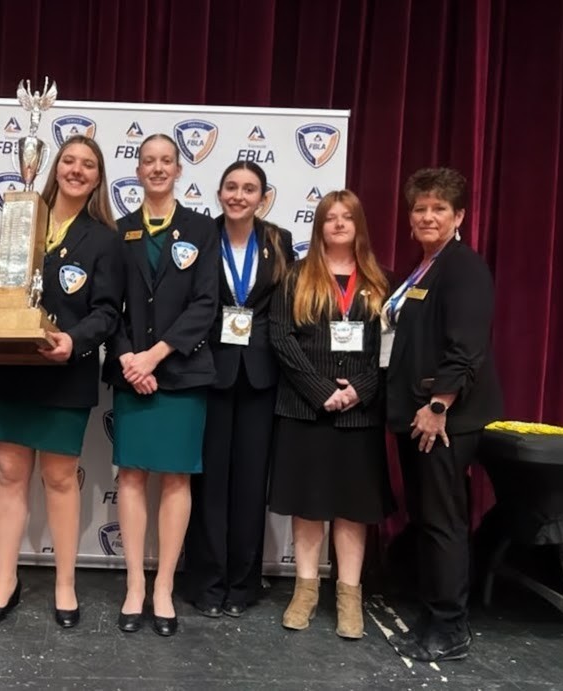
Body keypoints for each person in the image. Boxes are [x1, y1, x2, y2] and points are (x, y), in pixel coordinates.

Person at [0, 135, 124, 628]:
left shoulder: (104, 238)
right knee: (10, 475)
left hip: (65, 370)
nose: (76, 170)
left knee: (60, 478)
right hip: (14, 367)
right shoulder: (20, 217)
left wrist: (74, 341)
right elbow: (1, 289)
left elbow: (107, 311)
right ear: (54, 167)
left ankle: (65, 583)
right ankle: (4, 581)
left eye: (88, 164)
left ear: (99, 178)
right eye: (69, 161)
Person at [383, 168, 502, 662]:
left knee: (444, 522)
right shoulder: (424, 269)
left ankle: (452, 626)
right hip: (417, 418)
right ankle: (433, 615)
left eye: (438, 209)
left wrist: (438, 407)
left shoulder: (463, 268)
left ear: (459, 216)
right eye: (419, 208)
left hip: (445, 421)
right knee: (428, 518)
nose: (427, 216)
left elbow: (467, 348)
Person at [104, 133, 220, 637]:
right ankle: (134, 584)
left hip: (182, 372)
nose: (156, 168)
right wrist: (131, 357)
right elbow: (109, 304)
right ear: (137, 170)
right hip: (132, 371)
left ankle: (164, 587)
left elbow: (205, 304)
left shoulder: (201, 228)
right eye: (147, 160)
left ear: (179, 169)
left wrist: (155, 355)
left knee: (176, 478)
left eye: (165, 161)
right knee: (131, 475)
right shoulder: (119, 231)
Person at [268, 190, 392, 639]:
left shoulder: (381, 283)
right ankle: (304, 591)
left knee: (352, 510)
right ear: (319, 226)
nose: (338, 225)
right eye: (329, 218)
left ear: (359, 225)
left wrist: (359, 389)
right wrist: (322, 391)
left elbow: (389, 353)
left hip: (359, 414)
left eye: (347, 218)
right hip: (306, 410)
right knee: (308, 506)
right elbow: (281, 339)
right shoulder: (296, 277)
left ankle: (349, 596)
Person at [184, 161, 293, 618]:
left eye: (249, 189)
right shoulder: (202, 236)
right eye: (231, 187)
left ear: (263, 197)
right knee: (209, 482)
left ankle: (243, 584)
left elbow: (283, 306)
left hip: (262, 374)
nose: (239, 195)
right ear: (219, 192)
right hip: (210, 369)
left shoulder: (279, 241)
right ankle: (207, 584)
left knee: (251, 483)